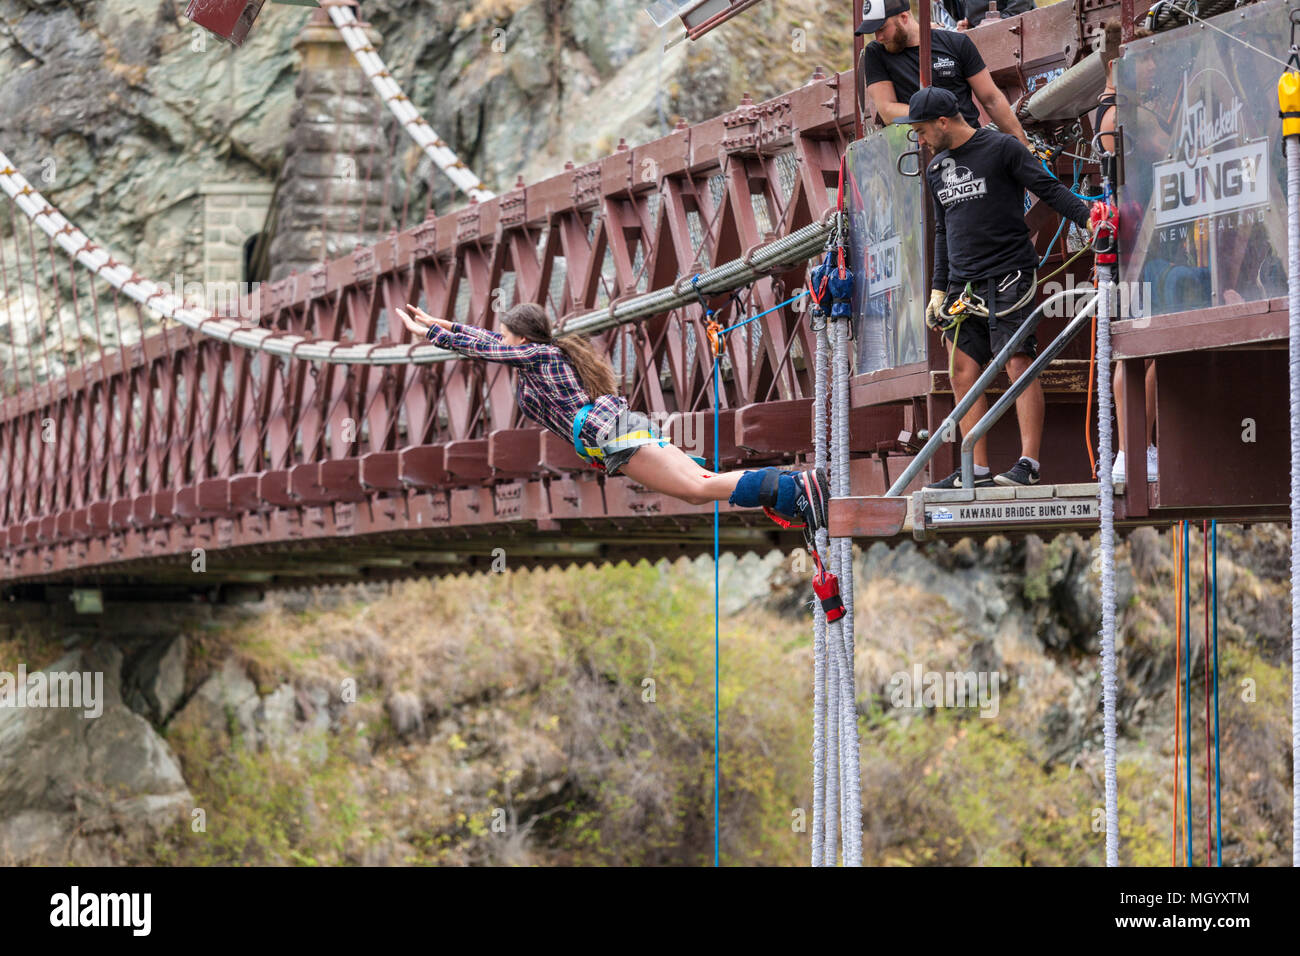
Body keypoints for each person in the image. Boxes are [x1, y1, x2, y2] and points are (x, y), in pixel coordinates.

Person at [396, 302, 829, 531]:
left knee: (700, 489)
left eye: (510, 337)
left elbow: (492, 349)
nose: (505, 342)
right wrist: (448, 326)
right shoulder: (543, 352)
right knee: (699, 486)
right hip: (621, 428)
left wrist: (433, 335)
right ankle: (793, 488)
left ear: (522, 338)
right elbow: (492, 340)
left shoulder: (537, 355)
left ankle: (793, 490)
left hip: (612, 437)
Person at [900, 87, 1096, 488]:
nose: (919, 140)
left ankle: (1029, 463)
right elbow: (943, 231)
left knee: (1018, 364)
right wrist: (939, 290)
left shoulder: (1002, 148)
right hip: (963, 285)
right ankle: (978, 469)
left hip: (1009, 276)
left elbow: (1048, 188)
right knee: (961, 371)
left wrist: (1087, 217)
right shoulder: (936, 169)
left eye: (921, 130)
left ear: (943, 121)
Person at [1096, 18, 1158, 483]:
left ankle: (1131, 450)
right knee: (1142, 349)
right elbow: (1166, 144)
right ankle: (1136, 449)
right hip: (1139, 242)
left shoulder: (1115, 109)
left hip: (1135, 240)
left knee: (1132, 350)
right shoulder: (1124, 114)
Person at [857, 0, 1030, 147]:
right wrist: (943, 118)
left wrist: (1025, 146)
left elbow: (992, 99)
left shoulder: (956, 43)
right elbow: (887, 110)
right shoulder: (876, 53)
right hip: (920, 152)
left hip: (972, 146)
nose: (878, 37)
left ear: (903, 17)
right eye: (874, 31)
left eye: (882, 28)